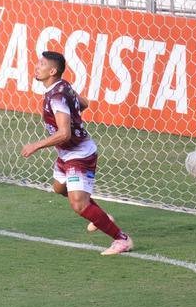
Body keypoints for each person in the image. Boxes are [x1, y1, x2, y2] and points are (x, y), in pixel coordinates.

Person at [20, 51, 133, 256]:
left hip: (79, 154)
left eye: (42, 64)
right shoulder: (63, 87)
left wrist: (36, 145)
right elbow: (84, 103)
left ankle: (121, 239)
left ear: (52, 71)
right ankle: (101, 217)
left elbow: (64, 133)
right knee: (59, 188)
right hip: (66, 154)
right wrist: (73, 111)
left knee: (78, 204)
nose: (36, 66)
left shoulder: (56, 97)